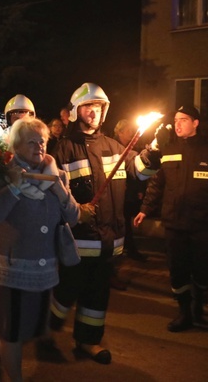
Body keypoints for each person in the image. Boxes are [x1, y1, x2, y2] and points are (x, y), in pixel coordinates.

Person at [46, 82, 161, 363]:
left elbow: (142, 172)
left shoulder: (115, 147)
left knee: (97, 297)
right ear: (75, 112)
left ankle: (88, 341)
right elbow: (52, 197)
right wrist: (74, 209)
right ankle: (45, 327)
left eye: (98, 107)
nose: (93, 112)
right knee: (66, 290)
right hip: (77, 241)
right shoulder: (62, 151)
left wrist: (156, 149)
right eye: (87, 107)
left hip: (109, 243)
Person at [0, 118, 79, 382]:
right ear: (15, 145)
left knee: (28, 330)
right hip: (10, 268)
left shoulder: (57, 175)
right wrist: (13, 187)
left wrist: (59, 189)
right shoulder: (3, 173)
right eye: (31, 141)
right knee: (12, 332)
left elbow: (74, 216)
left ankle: (0, 349)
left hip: (44, 269)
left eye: (42, 141)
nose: (39, 146)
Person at [135, 104, 208, 332]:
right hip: (174, 223)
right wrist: (145, 209)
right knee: (177, 270)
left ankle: (199, 305)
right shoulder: (167, 150)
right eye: (175, 120)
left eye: (183, 119)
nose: (177, 124)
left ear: (195, 123)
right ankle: (184, 312)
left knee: (201, 269)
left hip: (202, 223)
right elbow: (157, 184)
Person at [113, 118, 148, 262]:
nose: (131, 134)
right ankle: (127, 250)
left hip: (129, 194)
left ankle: (128, 249)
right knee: (123, 222)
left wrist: (139, 189)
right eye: (128, 131)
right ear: (120, 132)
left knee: (126, 221)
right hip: (119, 194)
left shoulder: (131, 150)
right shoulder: (113, 148)